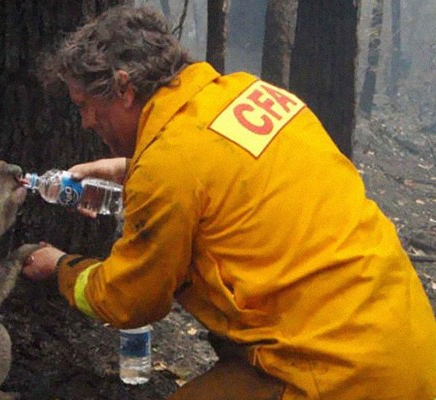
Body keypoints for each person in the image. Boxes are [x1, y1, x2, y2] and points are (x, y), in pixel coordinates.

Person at [22, 5, 436, 400]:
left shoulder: (170, 167)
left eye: (85, 107)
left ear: (124, 89)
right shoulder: (247, 93)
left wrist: (60, 266)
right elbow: (224, 175)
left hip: (336, 373)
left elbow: (129, 300)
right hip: (408, 343)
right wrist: (129, 168)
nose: (85, 123)